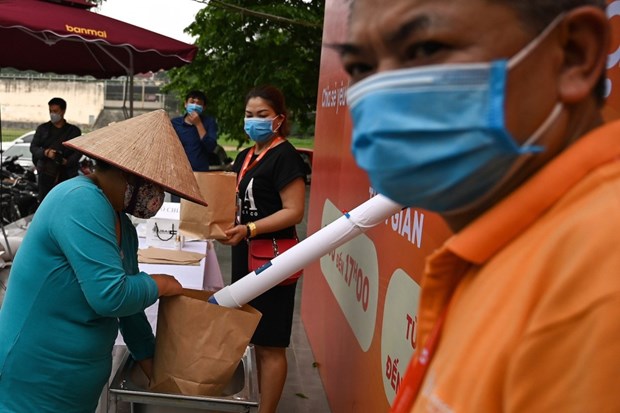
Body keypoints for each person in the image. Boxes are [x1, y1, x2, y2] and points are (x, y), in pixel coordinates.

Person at [341, 1, 620, 412]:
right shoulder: (512, 248)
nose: (381, 94)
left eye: (424, 49)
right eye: (361, 68)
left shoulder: (597, 287)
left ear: (574, 56)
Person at [0, 110, 207, 412]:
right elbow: (111, 296)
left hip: (75, 385)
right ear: (123, 171)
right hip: (35, 379)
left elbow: (131, 311)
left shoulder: (121, 221)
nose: (156, 194)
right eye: (150, 183)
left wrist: (155, 370)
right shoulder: (79, 199)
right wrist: (160, 284)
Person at [220, 85, 307, 413]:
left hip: (272, 257)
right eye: (248, 115)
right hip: (246, 253)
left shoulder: (286, 156)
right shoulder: (246, 155)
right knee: (253, 334)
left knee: (271, 342)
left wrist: (250, 228)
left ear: (278, 119)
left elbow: (293, 210)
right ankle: (257, 400)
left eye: (262, 116)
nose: (253, 121)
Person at [30, 97, 82, 203]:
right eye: (50, 111)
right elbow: (33, 147)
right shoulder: (43, 129)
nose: (52, 114)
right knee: (45, 201)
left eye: (55, 111)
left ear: (63, 111)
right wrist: (46, 153)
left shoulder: (73, 131)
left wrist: (67, 162)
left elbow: (78, 151)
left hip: (67, 174)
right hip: (46, 173)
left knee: (65, 202)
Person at [171, 89, 218, 172]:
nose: (195, 105)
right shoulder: (175, 123)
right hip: (178, 171)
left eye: (199, 103)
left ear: (203, 108)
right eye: (192, 102)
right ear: (186, 104)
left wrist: (198, 124)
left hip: (200, 173)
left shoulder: (209, 123)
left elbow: (210, 147)